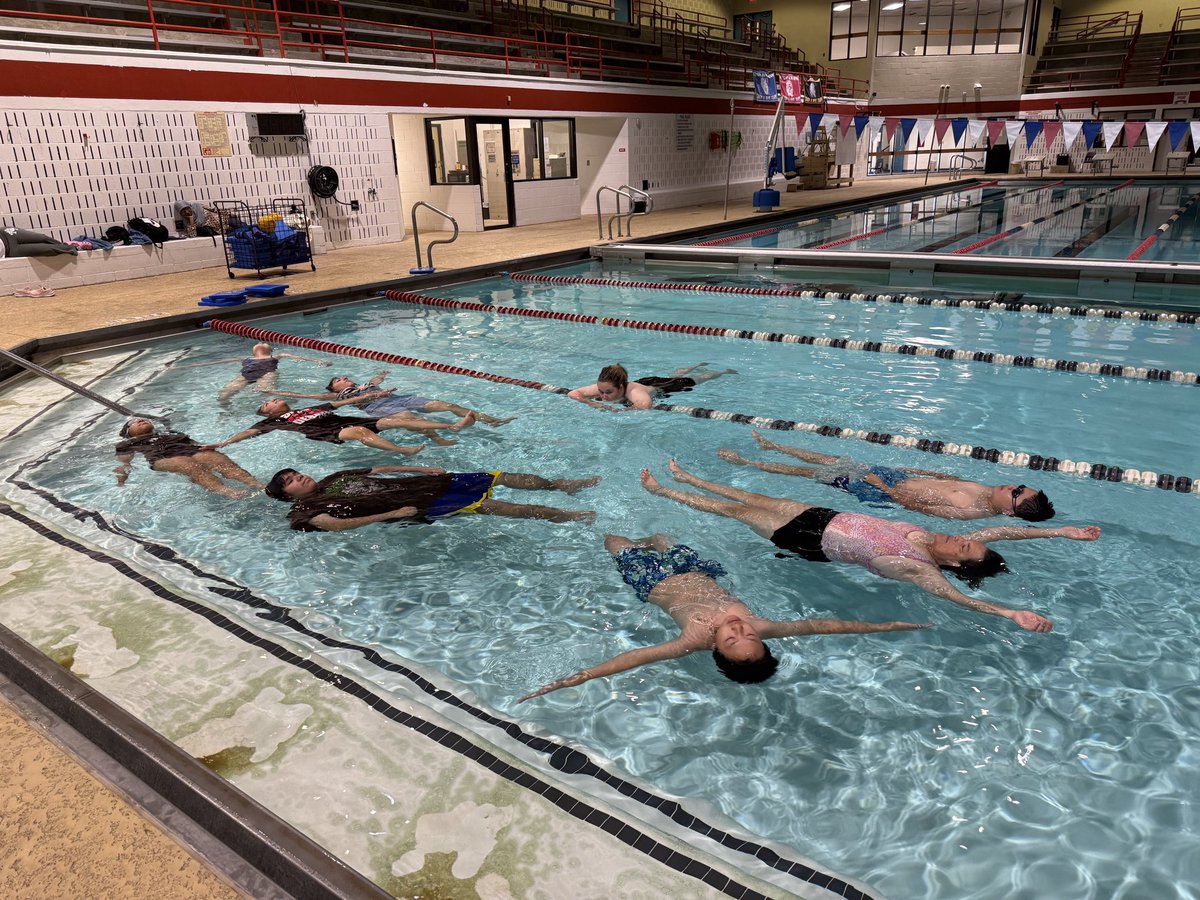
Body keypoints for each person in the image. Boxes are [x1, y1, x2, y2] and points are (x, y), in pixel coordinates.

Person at [641, 460, 1103, 632]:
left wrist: (1008, 613)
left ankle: (666, 491)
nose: (961, 539)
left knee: (734, 512)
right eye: (967, 540)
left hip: (810, 541)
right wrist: (1059, 532)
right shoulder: (946, 540)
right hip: (829, 516)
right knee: (752, 496)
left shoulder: (923, 568)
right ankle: (689, 476)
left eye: (962, 549)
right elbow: (1001, 532)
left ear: (953, 565)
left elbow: (960, 600)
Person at [517, 533, 927, 702]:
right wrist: (884, 626)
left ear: (715, 648)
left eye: (732, 639)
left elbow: (635, 658)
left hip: (653, 581)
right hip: (701, 573)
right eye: (747, 632)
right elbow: (822, 625)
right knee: (663, 538)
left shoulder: (691, 641)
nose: (737, 628)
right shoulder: (765, 626)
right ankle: (651, 540)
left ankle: (628, 543)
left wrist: (580, 677)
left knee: (614, 541)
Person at [718, 430, 1055, 521]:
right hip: (895, 477)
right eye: (1020, 485)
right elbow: (940, 479)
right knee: (833, 458)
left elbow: (919, 507)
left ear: (1009, 511)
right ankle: (773, 447)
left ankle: (749, 464)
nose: (1013, 485)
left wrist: (884, 487)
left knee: (814, 473)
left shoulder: (970, 511)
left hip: (882, 491)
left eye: (1016, 493)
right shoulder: (984, 490)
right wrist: (915, 471)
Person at [264, 465, 600, 531]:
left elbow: (377, 469)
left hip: (425, 484)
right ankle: (569, 516)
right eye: (291, 482)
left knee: (501, 475)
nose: (299, 478)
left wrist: (417, 465)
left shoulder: (333, 478)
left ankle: (561, 485)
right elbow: (326, 524)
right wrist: (387, 517)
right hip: (422, 505)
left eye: (295, 473)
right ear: (286, 496)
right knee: (495, 507)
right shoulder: (306, 508)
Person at [206, 393, 477, 454]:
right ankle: (403, 452)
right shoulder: (275, 422)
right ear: (267, 414)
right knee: (359, 432)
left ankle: (451, 428)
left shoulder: (312, 408)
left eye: (274, 399)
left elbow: (343, 403)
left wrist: (373, 395)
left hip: (346, 419)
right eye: (269, 403)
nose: (275, 401)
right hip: (325, 432)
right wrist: (225, 442)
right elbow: (249, 432)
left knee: (401, 418)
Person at [275, 371, 514, 425]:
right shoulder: (337, 395)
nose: (344, 379)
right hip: (377, 407)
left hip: (401, 398)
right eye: (339, 379)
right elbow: (302, 395)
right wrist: (276, 393)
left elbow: (378, 381)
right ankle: (452, 428)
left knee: (447, 405)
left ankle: (491, 420)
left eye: (345, 377)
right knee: (409, 419)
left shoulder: (366, 384)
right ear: (334, 387)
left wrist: (382, 374)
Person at [114, 417, 262, 499]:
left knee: (215, 459)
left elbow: (195, 444)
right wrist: (121, 482)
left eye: (143, 419)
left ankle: (255, 484)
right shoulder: (127, 443)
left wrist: (208, 446)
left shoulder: (171, 433)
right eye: (132, 423)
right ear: (128, 432)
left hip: (188, 449)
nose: (139, 420)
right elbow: (124, 463)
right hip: (161, 457)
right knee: (189, 464)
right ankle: (225, 491)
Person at [172, 342, 332, 404]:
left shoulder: (275, 355)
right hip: (245, 375)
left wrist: (319, 361)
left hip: (267, 373)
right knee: (224, 394)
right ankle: (226, 411)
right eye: (259, 342)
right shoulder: (246, 358)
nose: (262, 342)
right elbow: (217, 362)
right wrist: (187, 366)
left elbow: (297, 357)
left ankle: (283, 405)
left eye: (264, 342)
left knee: (266, 392)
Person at [568, 362, 736, 410]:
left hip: (664, 388)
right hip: (647, 382)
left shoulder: (633, 392)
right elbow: (573, 393)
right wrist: (593, 403)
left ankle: (721, 371)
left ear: (621, 387)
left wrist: (619, 411)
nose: (603, 395)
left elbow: (644, 405)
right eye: (601, 391)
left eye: (608, 393)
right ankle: (688, 367)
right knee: (668, 376)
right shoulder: (606, 386)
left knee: (698, 379)